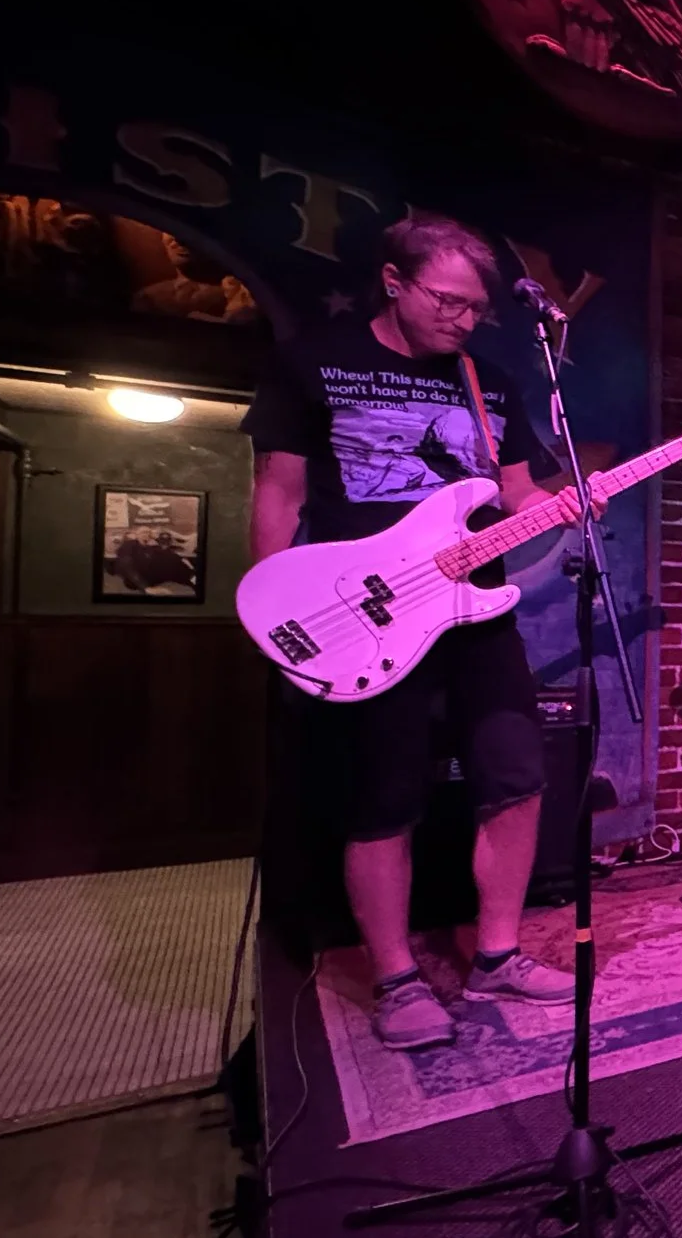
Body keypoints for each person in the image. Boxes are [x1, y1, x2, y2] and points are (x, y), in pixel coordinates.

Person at [244, 214, 606, 1050]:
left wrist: (565, 503)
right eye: (449, 301)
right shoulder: (316, 361)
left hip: (474, 609)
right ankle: (397, 976)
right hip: (365, 611)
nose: (464, 320)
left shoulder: (490, 379)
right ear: (396, 281)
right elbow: (279, 490)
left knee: (517, 777)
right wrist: (272, 606)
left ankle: (499, 952)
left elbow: (514, 495)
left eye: (477, 308)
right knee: (383, 797)